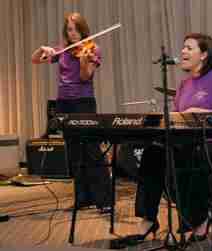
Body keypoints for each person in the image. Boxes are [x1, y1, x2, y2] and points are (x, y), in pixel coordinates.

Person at [134, 33, 212, 243]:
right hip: (189, 142)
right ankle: (148, 218)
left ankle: (200, 219)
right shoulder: (184, 84)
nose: (183, 51)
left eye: (189, 48)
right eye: (183, 48)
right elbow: (175, 120)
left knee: (196, 156)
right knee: (153, 154)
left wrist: (196, 112)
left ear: (204, 54)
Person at [31, 12, 111, 213]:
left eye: (76, 29)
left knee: (91, 151)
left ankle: (104, 200)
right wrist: (42, 48)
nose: (73, 33)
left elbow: (85, 77)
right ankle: (83, 198)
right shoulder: (63, 50)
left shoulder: (91, 48)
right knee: (74, 153)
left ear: (83, 30)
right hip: (63, 104)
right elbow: (35, 60)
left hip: (83, 102)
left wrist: (85, 60)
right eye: (69, 29)